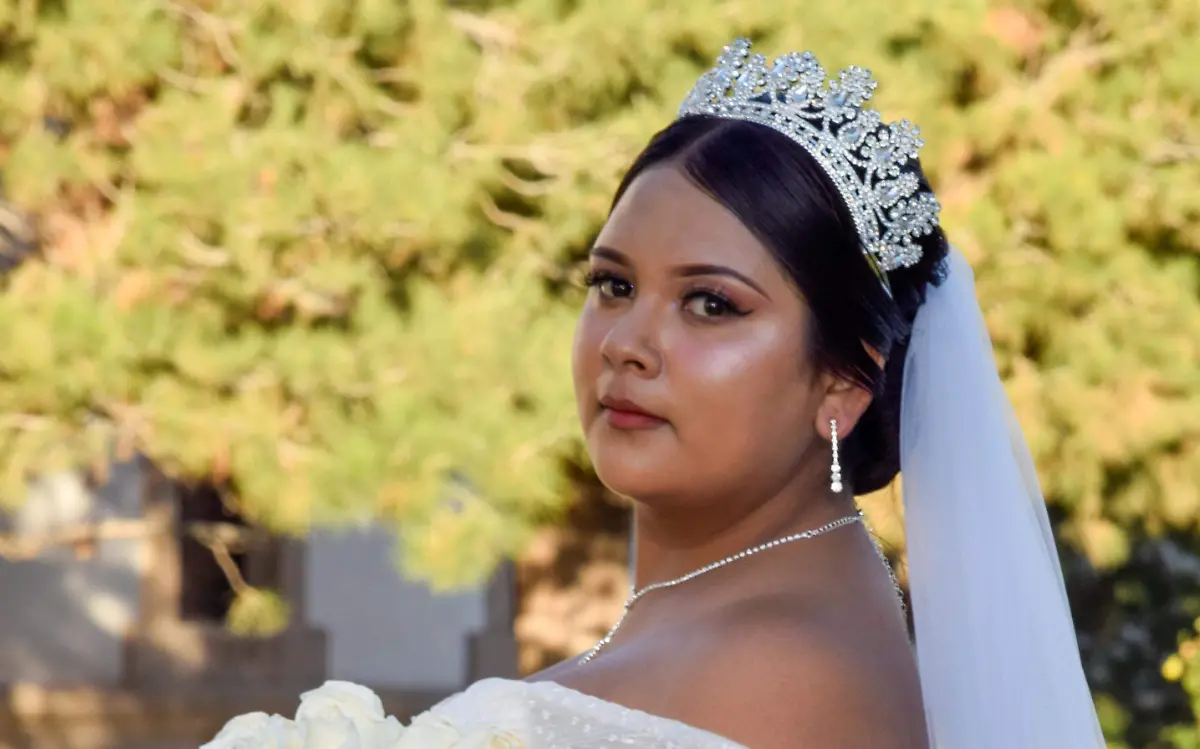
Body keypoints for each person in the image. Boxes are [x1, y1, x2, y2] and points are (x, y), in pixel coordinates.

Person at [204, 38, 1105, 749]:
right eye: (613, 284)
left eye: (712, 304)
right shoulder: (771, 616)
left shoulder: (783, 669)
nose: (629, 343)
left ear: (844, 379)